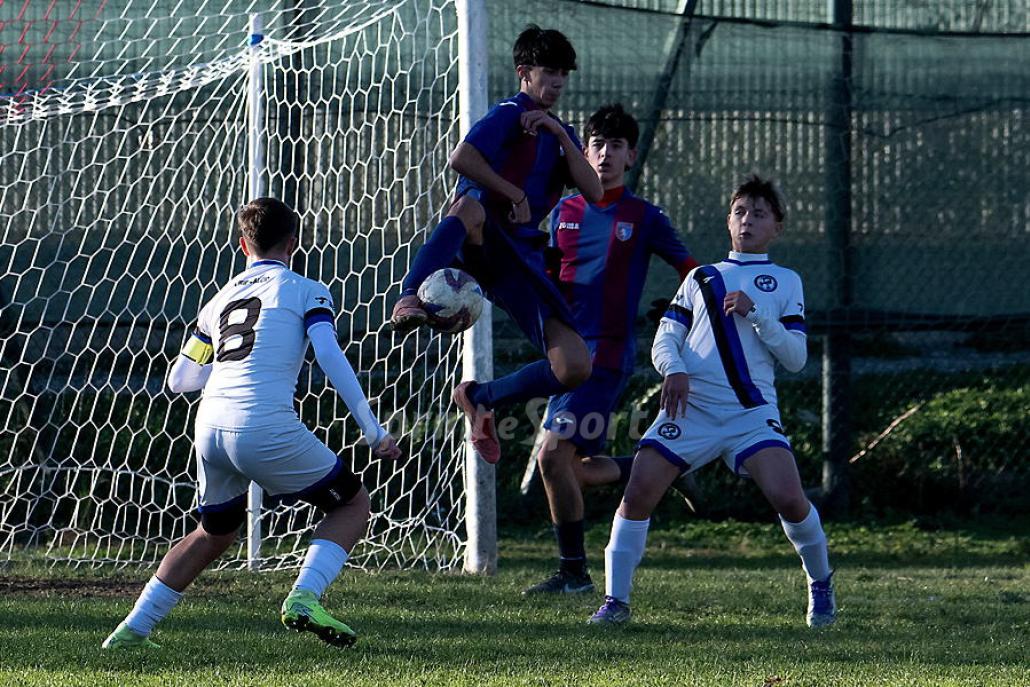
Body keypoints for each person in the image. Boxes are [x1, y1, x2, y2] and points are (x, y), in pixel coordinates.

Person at [102, 197, 402, 650]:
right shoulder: (306, 290)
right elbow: (327, 352)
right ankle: (304, 597)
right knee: (352, 505)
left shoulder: (218, 301)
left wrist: (227, 367)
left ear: (243, 245)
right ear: (293, 243)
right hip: (262, 424)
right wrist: (373, 430)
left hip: (209, 426)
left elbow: (179, 379)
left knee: (213, 532)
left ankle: (130, 631)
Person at [588, 175, 837, 628]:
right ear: (728, 221)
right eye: (740, 212)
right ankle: (615, 602)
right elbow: (666, 336)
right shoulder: (700, 277)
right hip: (691, 411)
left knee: (789, 497)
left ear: (777, 227)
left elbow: (796, 358)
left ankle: (820, 584)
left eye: (759, 214)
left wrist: (756, 312)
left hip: (750, 413)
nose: (748, 221)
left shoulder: (786, 281)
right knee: (638, 492)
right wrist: (674, 369)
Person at [390, 25, 603, 464]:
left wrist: (562, 135)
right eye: (549, 71)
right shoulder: (509, 112)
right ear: (524, 72)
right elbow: (461, 158)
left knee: (575, 366)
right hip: (479, 235)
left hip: (518, 258)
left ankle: (480, 398)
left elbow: (595, 191)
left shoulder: (558, 132)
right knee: (469, 206)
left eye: (563, 73)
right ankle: (409, 293)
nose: (558, 82)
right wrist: (514, 194)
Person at [522, 104, 698, 595]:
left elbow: (693, 272)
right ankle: (664, 469)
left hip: (607, 356)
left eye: (616, 146)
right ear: (584, 152)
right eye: (597, 145)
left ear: (630, 156)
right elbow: (547, 276)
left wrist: (683, 309)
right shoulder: (564, 213)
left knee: (551, 456)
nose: (605, 154)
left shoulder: (644, 217)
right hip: (566, 359)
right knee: (572, 469)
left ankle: (574, 574)